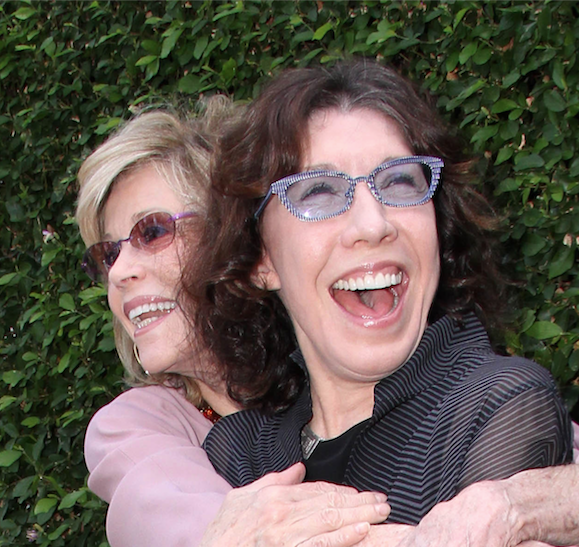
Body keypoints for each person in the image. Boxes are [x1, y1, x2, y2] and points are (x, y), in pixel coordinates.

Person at [183, 58, 573, 531]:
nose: (373, 224)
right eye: (319, 192)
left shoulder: (499, 404)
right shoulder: (237, 452)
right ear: (260, 261)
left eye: (399, 182)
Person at [77, 105, 391, 547]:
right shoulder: (138, 424)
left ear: (236, 239)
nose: (118, 272)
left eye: (151, 233)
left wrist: (521, 499)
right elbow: (166, 511)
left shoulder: (347, 361)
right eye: (108, 254)